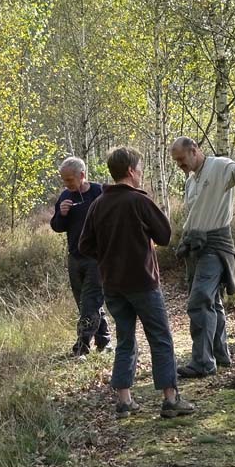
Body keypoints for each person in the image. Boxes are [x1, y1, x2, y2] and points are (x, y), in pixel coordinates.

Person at [79, 146, 195, 419]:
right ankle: (170, 399)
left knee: (125, 339)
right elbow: (165, 235)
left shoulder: (98, 204)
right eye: (140, 168)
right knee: (161, 338)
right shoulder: (139, 201)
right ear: (131, 171)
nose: (141, 173)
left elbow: (85, 245)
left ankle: (124, 401)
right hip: (142, 281)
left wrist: (107, 257)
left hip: (112, 285)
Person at [170, 137, 235, 378]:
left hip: (216, 245)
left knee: (199, 300)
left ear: (194, 150)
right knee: (212, 301)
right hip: (195, 247)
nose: (179, 164)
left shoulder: (219, 166)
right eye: (176, 160)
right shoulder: (190, 180)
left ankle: (202, 362)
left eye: (181, 159)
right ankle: (220, 354)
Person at [50, 157, 112, 358]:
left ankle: (81, 346)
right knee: (85, 303)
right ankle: (104, 340)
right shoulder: (65, 196)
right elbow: (57, 226)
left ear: (82, 175)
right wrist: (62, 213)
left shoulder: (100, 192)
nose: (66, 184)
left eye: (69, 179)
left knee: (90, 301)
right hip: (75, 258)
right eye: (64, 180)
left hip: (97, 259)